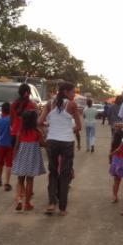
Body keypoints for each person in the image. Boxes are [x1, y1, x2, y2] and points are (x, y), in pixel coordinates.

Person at [38, 82, 82, 216]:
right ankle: (62, 208)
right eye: (72, 92)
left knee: (53, 172)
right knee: (65, 174)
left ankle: (51, 203)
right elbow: (78, 127)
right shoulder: (72, 105)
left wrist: (50, 125)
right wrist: (68, 129)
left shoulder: (49, 104)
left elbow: (39, 122)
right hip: (67, 142)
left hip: (52, 141)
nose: (74, 94)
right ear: (66, 92)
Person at [11, 110, 46, 211]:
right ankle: (27, 204)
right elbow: (43, 144)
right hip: (32, 160)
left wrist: (14, 157)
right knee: (30, 181)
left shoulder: (20, 132)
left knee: (20, 180)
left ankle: (19, 200)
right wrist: (48, 141)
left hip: (21, 158)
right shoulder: (37, 132)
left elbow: (16, 146)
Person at [0, 102, 13, 191]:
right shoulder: (11, 120)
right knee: (9, 164)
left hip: (0, 144)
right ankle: (7, 183)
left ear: (2, 110)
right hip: (10, 144)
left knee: (0, 163)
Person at [109, 129, 123, 204]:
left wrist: (111, 160)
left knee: (116, 181)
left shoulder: (114, 145)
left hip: (117, 164)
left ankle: (115, 196)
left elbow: (111, 154)